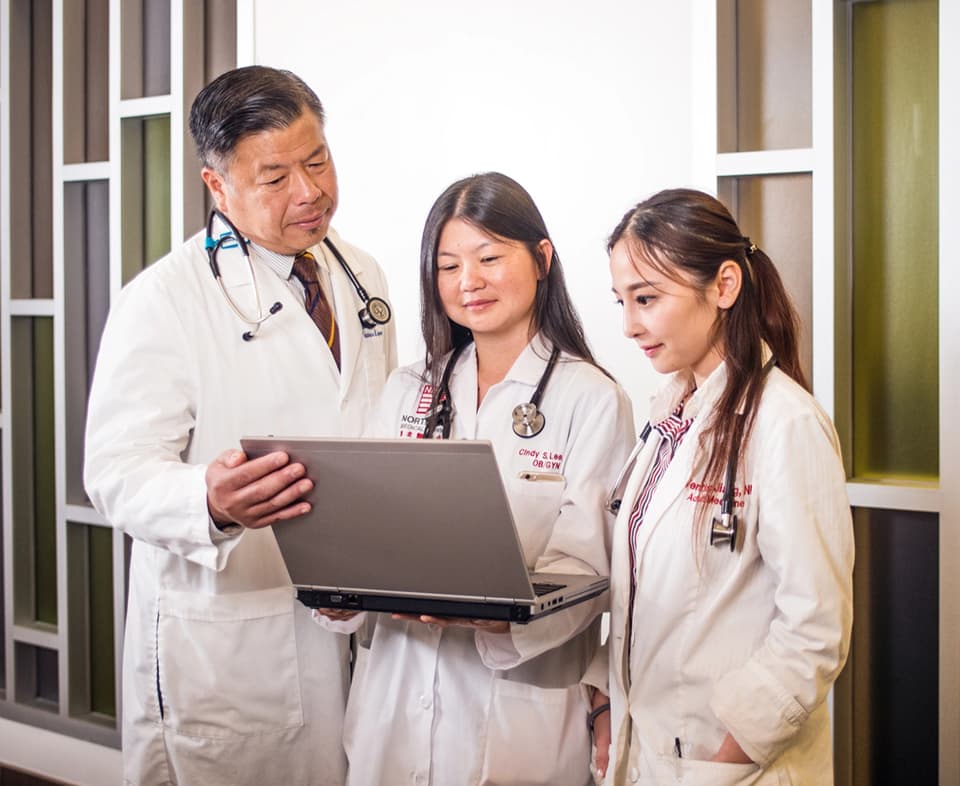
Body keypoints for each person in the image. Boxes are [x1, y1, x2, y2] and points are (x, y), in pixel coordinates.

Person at [84, 66, 397, 786]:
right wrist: (210, 501)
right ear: (217, 187)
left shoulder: (363, 277)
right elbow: (115, 471)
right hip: (229, 643)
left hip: (352, 623)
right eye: (275, 177)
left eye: (317, 161)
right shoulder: (163, 300)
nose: (309, 191)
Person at [318, 172, 634, 785]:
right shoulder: (409, 388)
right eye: (448, 266)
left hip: (517, 712)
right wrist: (338, 590)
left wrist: (503, 616)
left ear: (542, 258)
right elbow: (365, 531)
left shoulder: (591, 398)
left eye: (489, 258)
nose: (469, 281)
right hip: (394, 700)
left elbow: (589, 567)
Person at [599, 188, 854, 785]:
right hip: (651, 755)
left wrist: (724, 764)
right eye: (621, 301)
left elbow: (814, 630)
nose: (630, 325)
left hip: (730, 766)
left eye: (646, 298)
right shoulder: (670, 418)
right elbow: (641, 600)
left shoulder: (786, 424)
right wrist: (604, 709)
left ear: (724, 286)